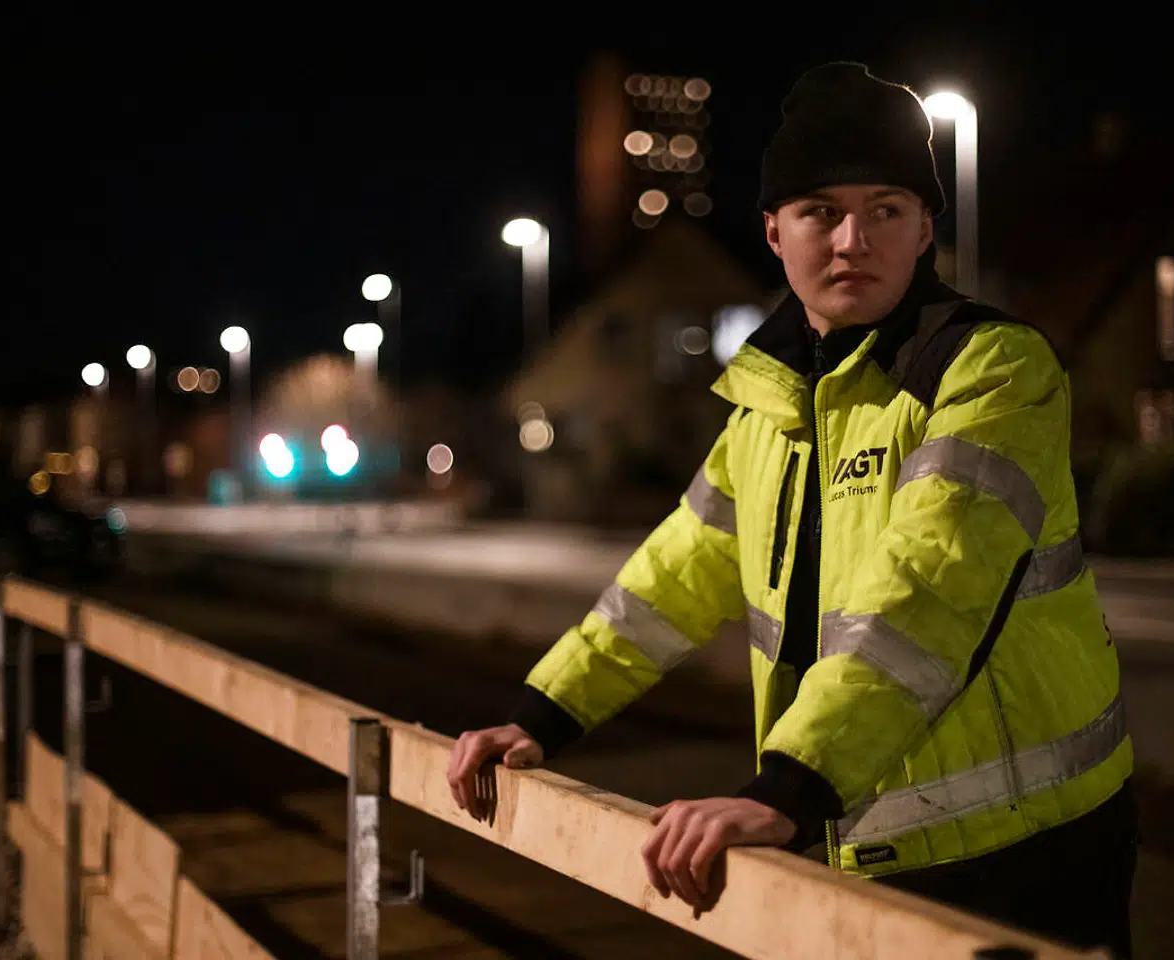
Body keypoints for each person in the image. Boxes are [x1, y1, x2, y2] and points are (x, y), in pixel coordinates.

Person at [449, 61, 1137, 957]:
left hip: (1029, 841)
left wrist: (787, 789)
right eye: (819, 211)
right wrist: (543, 715)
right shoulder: (769, 406)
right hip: (860, 827)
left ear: (925, 227)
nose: (852, 238)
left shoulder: (990, 370)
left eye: (885, 209)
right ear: (774, 232)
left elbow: (930, 588)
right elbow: (669, 581)